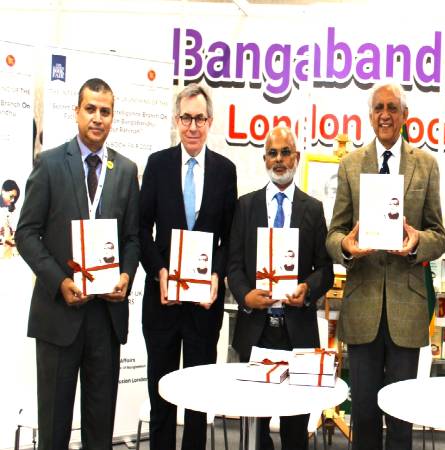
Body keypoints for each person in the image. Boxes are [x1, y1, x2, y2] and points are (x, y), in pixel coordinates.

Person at [16, 78, 140, 449]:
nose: (97, 118)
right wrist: (59, 281)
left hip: (106, 318)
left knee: (100, 434)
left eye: (105, 111)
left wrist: (125, 275)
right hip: (59, 316)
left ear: (113, 117)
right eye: (91, 109)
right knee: (53, 432)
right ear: (77, 112)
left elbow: (133, 238)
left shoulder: (126, 170)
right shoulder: (50, 163)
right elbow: (26, 233)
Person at [326, 80, 445, 450]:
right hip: (362, 306)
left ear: (405, 115)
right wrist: (346, 247)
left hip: (406, 310)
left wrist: (416, 243)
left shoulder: (426, 165)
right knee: (363, 415)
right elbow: (334, 234)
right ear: (369, 115)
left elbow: (439, 236)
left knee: (400, 418)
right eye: (378, 108)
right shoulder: (350, 165)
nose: (385, 115)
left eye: (392, 108)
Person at [139, 83, 237, 450]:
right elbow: (140, 228)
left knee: (198, 398)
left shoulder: (225, 171)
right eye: (186, 118)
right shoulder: (158, 165)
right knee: (162, 395)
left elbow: (229, 237)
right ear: (176, 121)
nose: (192, 126)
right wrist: (159, 271)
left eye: (199, 118)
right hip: (162, 302)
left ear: (210, 121)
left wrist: (217, 276)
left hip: (203, 308)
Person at [229, 126, 333, 450]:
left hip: (297, 332)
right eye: (272, 153)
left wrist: (307, 289)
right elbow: (233, 264)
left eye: (285, 152)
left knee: (294, 431)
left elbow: (326, 270)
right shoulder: (245, 206)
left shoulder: (312, 209)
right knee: (254, 430)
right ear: (264, 159)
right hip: (255, 331)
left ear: (296, 157)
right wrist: (245, 296)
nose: (279, 159)